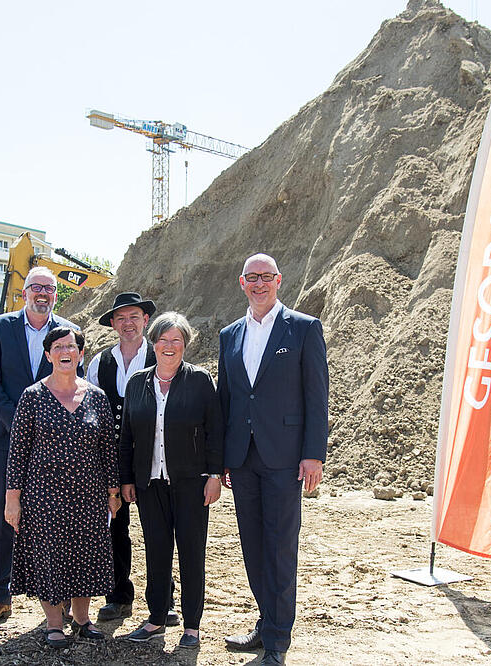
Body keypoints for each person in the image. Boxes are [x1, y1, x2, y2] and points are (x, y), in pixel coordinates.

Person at [218, 254, 328, 666]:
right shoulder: (230, 334)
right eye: (252, 278)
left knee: (280, 547)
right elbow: (228, 398)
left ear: (279, 280)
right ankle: (266, 623)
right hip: (243, 459)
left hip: (285, 459)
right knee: (253, 546)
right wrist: (225, 457)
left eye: (266, 277)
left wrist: (314, 454)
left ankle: (278, 642)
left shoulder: (303, 328)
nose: (259, 284)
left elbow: (317, 398)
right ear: (241, 282)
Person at [0, 266, 80, 626]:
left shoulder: (68, 332)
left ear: (55, 295)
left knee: (55, 519)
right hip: (5, 438)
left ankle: (59, 596)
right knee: (2, 516)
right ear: (24, 293)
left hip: (53, 444)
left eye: (49, 289)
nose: (42, 294)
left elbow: (73, 383)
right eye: (36, 287)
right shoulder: (0, 327)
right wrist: (17, 421)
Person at [5, 327, 121, 648]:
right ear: (48, 355)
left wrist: (113, 493)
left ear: (80, 354)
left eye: (71, 346)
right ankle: (54, 623)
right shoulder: (32, 397)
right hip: (43, 496)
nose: (65, 351)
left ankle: (83, 621)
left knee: (84, 556)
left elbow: (108, 450)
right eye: (58, 346)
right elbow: (17, 452)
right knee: (50, 557)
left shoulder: (97, 397)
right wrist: (12, 500)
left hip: (88, 496)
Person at [119, 312, 223, 648]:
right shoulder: (137, 383)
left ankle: (192, 625)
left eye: (176, 340)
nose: (169, 346)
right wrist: (126, 479)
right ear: (153, 343)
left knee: (192, 552)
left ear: (185, 345)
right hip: (150, 485)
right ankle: (156, 618)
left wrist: (213, 475)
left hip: (192, 483)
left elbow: (215, 431)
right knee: (156, 551)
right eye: (162, 339)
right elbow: (127, 436)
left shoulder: (200, 380)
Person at [85, 292, 179, 626]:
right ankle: (118, 596)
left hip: (154, 457)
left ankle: (164, 601)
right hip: (110, 458)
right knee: (114, 528)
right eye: (121, 318)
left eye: (134, 317)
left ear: (145, 321)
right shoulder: (99, 363)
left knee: (158, 530)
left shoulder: (161, 357)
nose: (128, 324)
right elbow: (91, 409)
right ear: (112, 323)